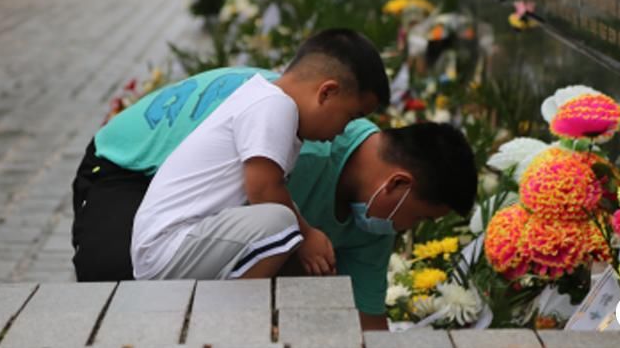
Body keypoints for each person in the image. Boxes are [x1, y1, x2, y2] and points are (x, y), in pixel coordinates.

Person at [71, 28, 389, 282]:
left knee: (281, 227)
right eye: (350, 117)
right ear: (327, 92)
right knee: (280, 221)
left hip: (182, 242)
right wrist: (307, 235)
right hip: (168, 245)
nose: (343, 130)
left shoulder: (265, 100)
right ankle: (238, 312)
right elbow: (263, 190)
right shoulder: (274, 106)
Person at [286, 119, 477, 331]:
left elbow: (368, 320)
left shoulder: (374, 224)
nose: (408, 228)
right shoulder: (301, 149)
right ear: (397, 183)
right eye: (419, 217)